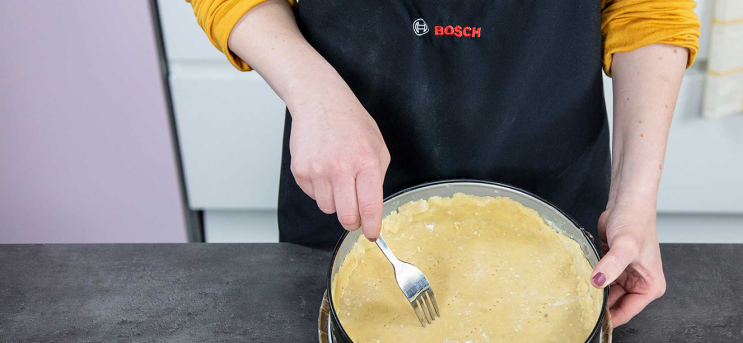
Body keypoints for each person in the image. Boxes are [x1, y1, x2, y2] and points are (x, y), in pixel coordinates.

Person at [188, 0, 700, 326]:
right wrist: (312, 93)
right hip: (350, 186)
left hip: (551, 193)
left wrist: (635, 198)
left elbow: (649, 10)